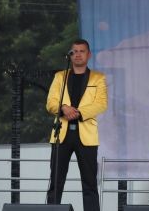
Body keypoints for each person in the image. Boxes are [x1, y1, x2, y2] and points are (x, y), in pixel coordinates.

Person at [46, 39, 108, 211]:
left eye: (82, 51)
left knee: (89, 183)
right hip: (61, 134)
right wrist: (63, 108)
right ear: (70, 55)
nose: (78, 54)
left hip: (86, 136)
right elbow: (50, 102)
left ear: (89, 55)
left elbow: (101, 104)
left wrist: (79, 113)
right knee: (56, 181)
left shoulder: (98, 77)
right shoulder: (60, 76)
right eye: (74, 51)